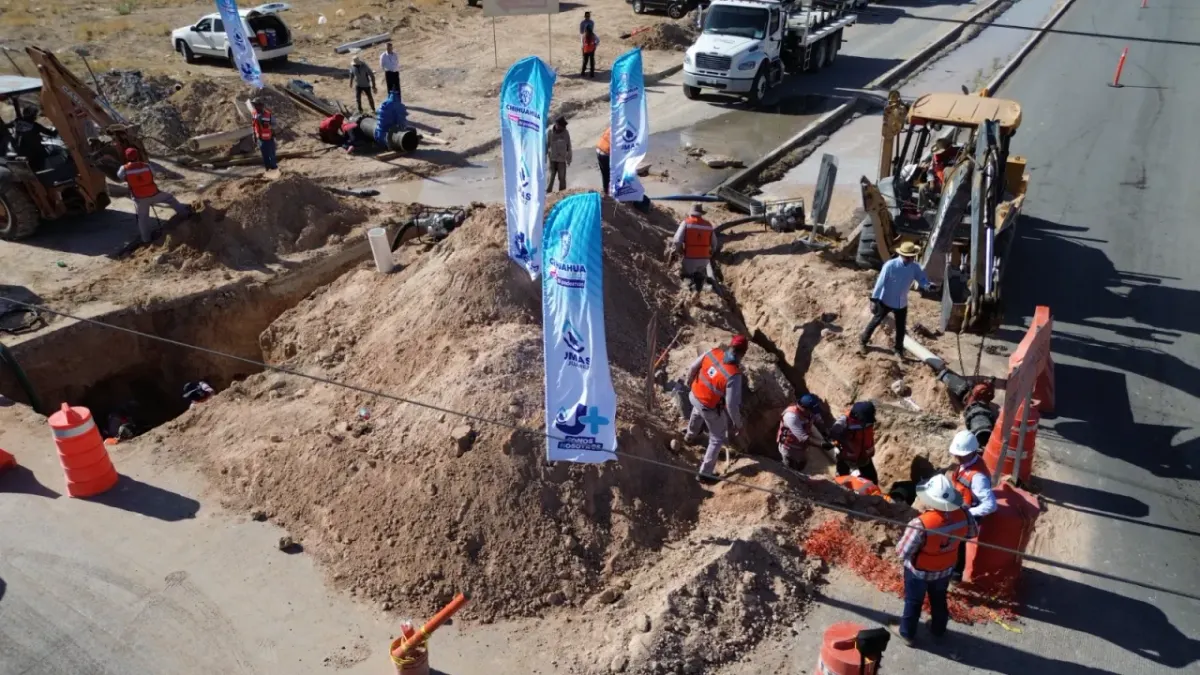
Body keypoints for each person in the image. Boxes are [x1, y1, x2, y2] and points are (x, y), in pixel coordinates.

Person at [891, 474, 977, 646]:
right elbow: (972, 533)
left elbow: (902, 551)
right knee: (939, 599)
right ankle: (938, 629)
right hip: (946, 568)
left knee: (913, 602)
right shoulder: (964, 514)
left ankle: (907, 633)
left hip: (919, 572)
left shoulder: (920, 523)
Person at [684, 335, 748, 484]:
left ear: (730, 345)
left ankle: (690, 436)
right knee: (717, 438)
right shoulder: (734, 375)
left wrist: (689, 382)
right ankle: (705, 474)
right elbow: (732, 406)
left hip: (694, 395)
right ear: (743, 353)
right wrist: (738, 425)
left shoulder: (713, 352)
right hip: (708, 407)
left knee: (697, 411)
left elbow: (693, 367)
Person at [859, 241, 935, 359]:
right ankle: (863, 341)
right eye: (909, 257)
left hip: (901, 302)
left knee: (901, 328)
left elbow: (922, 279)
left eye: (912, 256)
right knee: (875, 321)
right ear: (903, 255)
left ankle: (898, 350)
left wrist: (928, 286)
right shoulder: (890, 265)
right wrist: (874, 300)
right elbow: (880, 283)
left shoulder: (914, 267)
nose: (911, 259)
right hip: (886, 300)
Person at [947, 429, 996, 583]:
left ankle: (955, 575)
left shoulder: (978, 477)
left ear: (971, 452)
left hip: (966, 516)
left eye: (960, 455)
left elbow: (990, 504)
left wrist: (969, 512)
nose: (957, 457)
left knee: (958, 545)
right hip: (958, 509)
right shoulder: (967, 464)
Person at [116, 147, 191, 244]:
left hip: (139, 198)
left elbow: (119, 177)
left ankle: (146, 239)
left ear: (126, 157)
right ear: (137, 155)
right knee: (170, 198)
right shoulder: (146, 166)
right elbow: (154, 175)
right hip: (154, 193)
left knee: (142, 219)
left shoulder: (124, 168)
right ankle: (185, 215)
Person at [776, 393, 833, 471]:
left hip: (802, 447)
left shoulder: (810, 411)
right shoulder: (791, 416)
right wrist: (822, 444)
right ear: (803, 407)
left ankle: (799, 472)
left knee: (802, 463)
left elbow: (819, 421)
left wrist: (826, 433)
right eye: (812, 411)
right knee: (789, 467)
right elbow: (804, 438)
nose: (814, 413)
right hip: (789, 448)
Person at [828, 401, 879, 484]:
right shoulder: (843, 424)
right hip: (847, 459)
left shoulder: (868, 420)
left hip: (864, 458)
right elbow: (833, 437)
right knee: (843, 482)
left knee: (873, 481)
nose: (868, 423)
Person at [672, 204, 717, 292]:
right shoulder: (708, 225)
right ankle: (699, 290)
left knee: (687, 277)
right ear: (701, 213)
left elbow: (677, 240)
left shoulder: (686, 223)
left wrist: (679, 251)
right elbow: (714, 244)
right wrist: (710, 254)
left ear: (691, 213)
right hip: (704, 259)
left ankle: (691, 293)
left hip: (690, 258)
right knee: (699, 276)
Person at [11, 106, 56, 171]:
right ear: (33, 116)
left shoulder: (17, 122)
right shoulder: (35, 126)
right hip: (37, 153)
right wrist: (57, 128)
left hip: (22, 152)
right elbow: (51, 134)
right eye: (35, 115)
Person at [546, 116, 572, 192]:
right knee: (551, 176)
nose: (563, 127)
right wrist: (543, 155)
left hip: (562, 159)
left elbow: (569, 146)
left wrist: (569, 159)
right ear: (557, 124)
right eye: (561, 126)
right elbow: (547, 144)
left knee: (562, 177)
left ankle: (562, 193)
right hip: (552, 159)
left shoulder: (566, 133)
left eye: (564, 126)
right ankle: (548, 192)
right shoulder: (550, 132)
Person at [251, 99, 278, 171]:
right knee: (265, 156)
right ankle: (268, 168)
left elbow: (275, 125)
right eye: (255, 105)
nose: (256, 107)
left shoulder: (268, 115)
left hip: (269, 139)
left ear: (262, 106)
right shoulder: (254, 114)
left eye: (258, 105)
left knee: (271, 155)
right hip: (260, 139)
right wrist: (254, 136)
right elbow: (253, 126)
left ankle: (274, 168)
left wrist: (269, 126)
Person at [596, 126, 611, 195]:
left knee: (605, 174)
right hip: (605, 152)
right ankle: (607, 193)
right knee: (608, 174)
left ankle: (606, 191)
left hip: (599, 149)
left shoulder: (612, 127)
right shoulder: (620, 132)